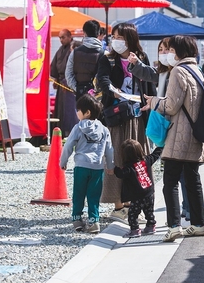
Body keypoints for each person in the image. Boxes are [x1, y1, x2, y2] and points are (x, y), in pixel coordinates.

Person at [145, 35, 204, 241]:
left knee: (170, 181)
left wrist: (154, 101)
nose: (169, 53)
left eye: (171, 50)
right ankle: (198, 224)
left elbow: (171, 106)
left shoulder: (178, 71)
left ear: (179, 51)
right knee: (192, 181)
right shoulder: (196, 70)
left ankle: (174, 226)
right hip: (195, 135)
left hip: (179, 134)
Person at [96, 22, 156, 224]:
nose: (116, 41)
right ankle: (118, 205)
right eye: (114, 37)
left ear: (130, 39)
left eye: (120, 37)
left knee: (139, 157)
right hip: (117, 115)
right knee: (117, 157)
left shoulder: (141, 58)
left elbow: (150, 84)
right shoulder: (107, 58)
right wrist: (112, 90)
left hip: (138, 114)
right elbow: (101, 80)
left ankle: (138, 202)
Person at [60, 94, 115, 234]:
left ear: (87, 112)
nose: (76, 112)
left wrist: (63, 161)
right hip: (97, 167)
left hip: (81, 166)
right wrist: (110, 166)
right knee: (94, 195)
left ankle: (77, 220)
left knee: (78, 193)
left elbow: (68, 146)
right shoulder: (104, 129)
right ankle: (94, 221)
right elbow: (109, 149)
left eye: (78, 110)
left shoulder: (78, 128)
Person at [113, 139, 163, 238]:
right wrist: (161, 145)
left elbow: (120, 174)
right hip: (149, 192)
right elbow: (156, 154)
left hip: (137, 196)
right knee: (149, 211)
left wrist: (114, 169)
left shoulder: (129, 168)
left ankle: (135, 230)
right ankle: (151, 225)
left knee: (133, 214)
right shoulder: (147, 160)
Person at [65, 20, 104, 97]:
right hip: (99, 96)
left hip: (81, 93)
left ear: (84, 33)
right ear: (99, 33)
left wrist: (77, 88)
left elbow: (68, 74)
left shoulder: (75, 52)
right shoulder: (104, 53)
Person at [51, 29, 78, 137]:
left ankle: (71, 132)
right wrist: (56, 79)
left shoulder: (75, 47)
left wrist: (68, 81)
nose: (61, 40)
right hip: (62, 82)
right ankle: (61, 132)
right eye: (60, 38)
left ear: (69, 37)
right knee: (61, 109)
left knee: (70, 109)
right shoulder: (60, 50)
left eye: (63, 37)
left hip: (71, 83)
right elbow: (54, 66)